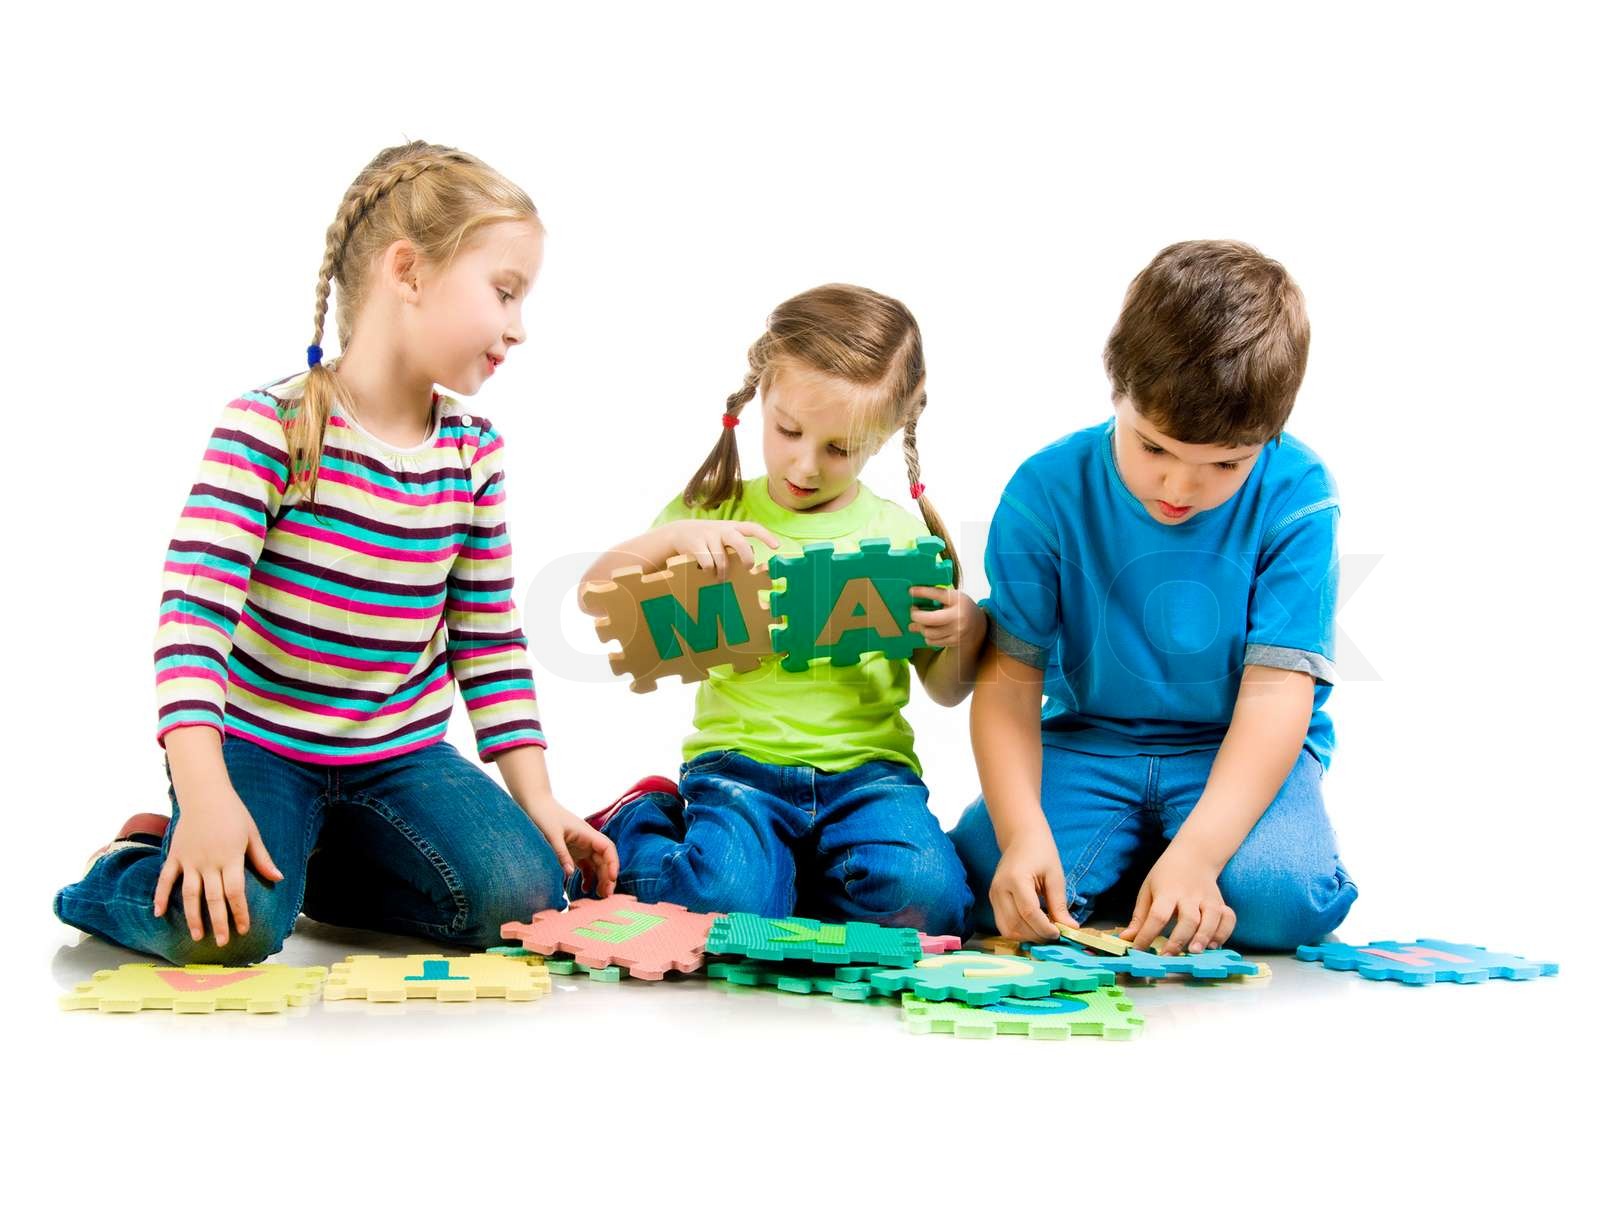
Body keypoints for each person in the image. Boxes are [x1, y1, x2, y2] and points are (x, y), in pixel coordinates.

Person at [55, 140, 615, 965]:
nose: (518, 329)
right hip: (258, 746)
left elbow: (489, 644)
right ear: (409, 271)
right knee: (232, 923)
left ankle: (310, 871)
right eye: (504, 293)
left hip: (399, 755)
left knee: (525, 897)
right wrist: (205, 792)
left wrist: (539, 801)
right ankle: (131, 870)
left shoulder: (474, 453)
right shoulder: (270, 428)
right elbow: (192, 623)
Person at [952, 240, 1357, 952]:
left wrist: (1202, 854)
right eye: (1154, 448)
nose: (1179, 488)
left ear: (1272, 435)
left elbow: (1276, 697)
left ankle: (1175, 861)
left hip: (1230, 751)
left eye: (1225, 464)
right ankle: (1148, 865)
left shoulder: (1298, 496)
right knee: (988, 883)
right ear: (1118, 391)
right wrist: (1022, 834)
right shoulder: (1046, 491)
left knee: (1277, 902)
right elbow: (1009, 680)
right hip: (1088, 745)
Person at [578, 284, 983, 935]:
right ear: (760, 395)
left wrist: (966, 631)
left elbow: (945, 689)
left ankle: (793, 877)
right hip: (739, 768)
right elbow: (596, 594)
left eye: (839, 449)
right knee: (722, 908)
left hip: (870, 777)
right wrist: (672, 540)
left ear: (882, 437)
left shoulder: (902, 538)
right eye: (788, 430)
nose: (804, 462)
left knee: (930, 904)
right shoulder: (716, 513)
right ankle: (641, 824)